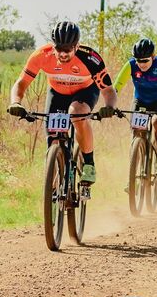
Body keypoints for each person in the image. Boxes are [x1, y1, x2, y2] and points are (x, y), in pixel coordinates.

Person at [7, 21, 117, 185]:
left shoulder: (90, 58)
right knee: (54, 137)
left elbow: (108, 90)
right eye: (58, 49)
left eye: (67, 50)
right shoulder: (41, 55)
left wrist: (110, 107)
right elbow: (21, 83)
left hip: (85, 91)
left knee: (76, 113)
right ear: (53, 46)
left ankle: (89, 163)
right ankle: (56, 179)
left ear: (76, 46)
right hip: (57, 93)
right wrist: (16, 102)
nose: (62, 54)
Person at [113, 37, 157, 177]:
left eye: (145, 60)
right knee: (136, 130)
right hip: (140, 100)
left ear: (153, 56)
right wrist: (112, 104)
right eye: (139, 60)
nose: (142, 64)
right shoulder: (131, 65)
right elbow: (117, 86)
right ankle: (133, 174)